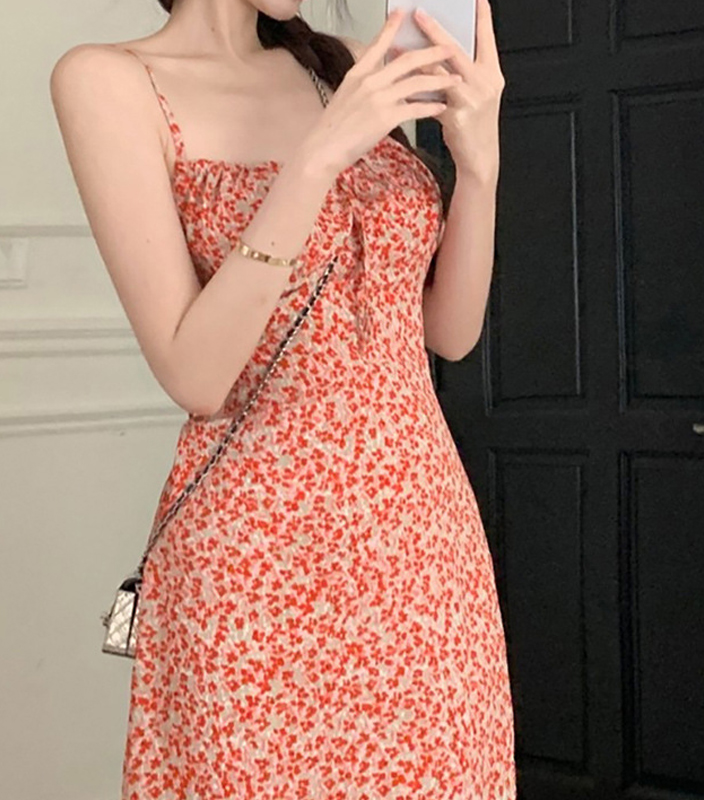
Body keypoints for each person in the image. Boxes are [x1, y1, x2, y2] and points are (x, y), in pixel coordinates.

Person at [50, 0, 514, 796]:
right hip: (261, 565)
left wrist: (479, 164)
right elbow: (196, 376)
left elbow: (449, 331)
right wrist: (318, 157)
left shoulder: (345, 64)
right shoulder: (108, 81)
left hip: (423, 549)